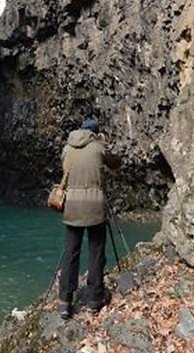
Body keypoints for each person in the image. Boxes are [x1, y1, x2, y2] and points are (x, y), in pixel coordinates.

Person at [57, 117, 118, 320]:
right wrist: (103, 143)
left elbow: (64, 168)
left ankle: (65, 302)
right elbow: (115, 163)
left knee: (71, 253)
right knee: (96, 252)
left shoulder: (67, 148)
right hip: (94, 207)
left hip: (72, 206)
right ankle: (94, 300)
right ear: (95, 133)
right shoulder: (98, 147)